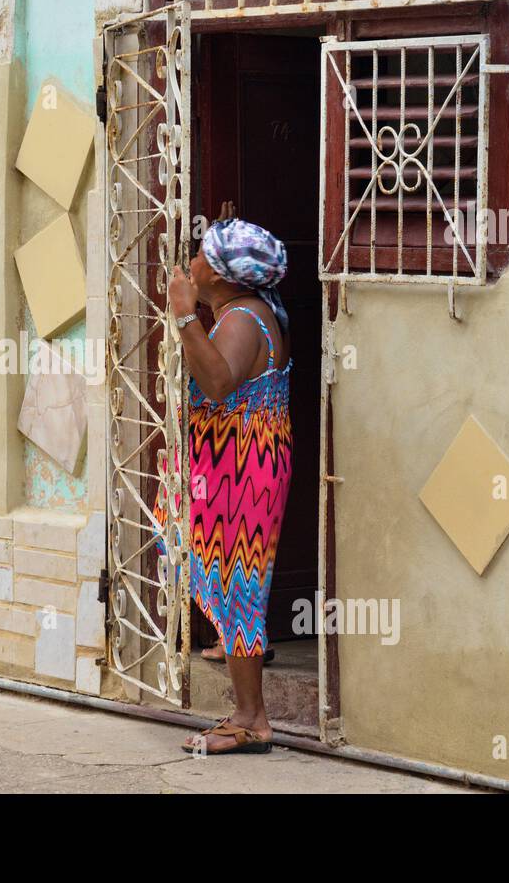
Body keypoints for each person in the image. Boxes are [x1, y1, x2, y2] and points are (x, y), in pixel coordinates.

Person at [162, 201, 293, 754]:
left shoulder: (242, 320)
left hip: (245, 468)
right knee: (222, 576)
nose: (190, 262)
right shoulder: (244, 311)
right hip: (229, 464)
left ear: (217, 275)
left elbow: (217, 381)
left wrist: (186, 316)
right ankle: (245, 704)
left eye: (199, 255)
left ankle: (250, 719)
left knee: (241, 583)